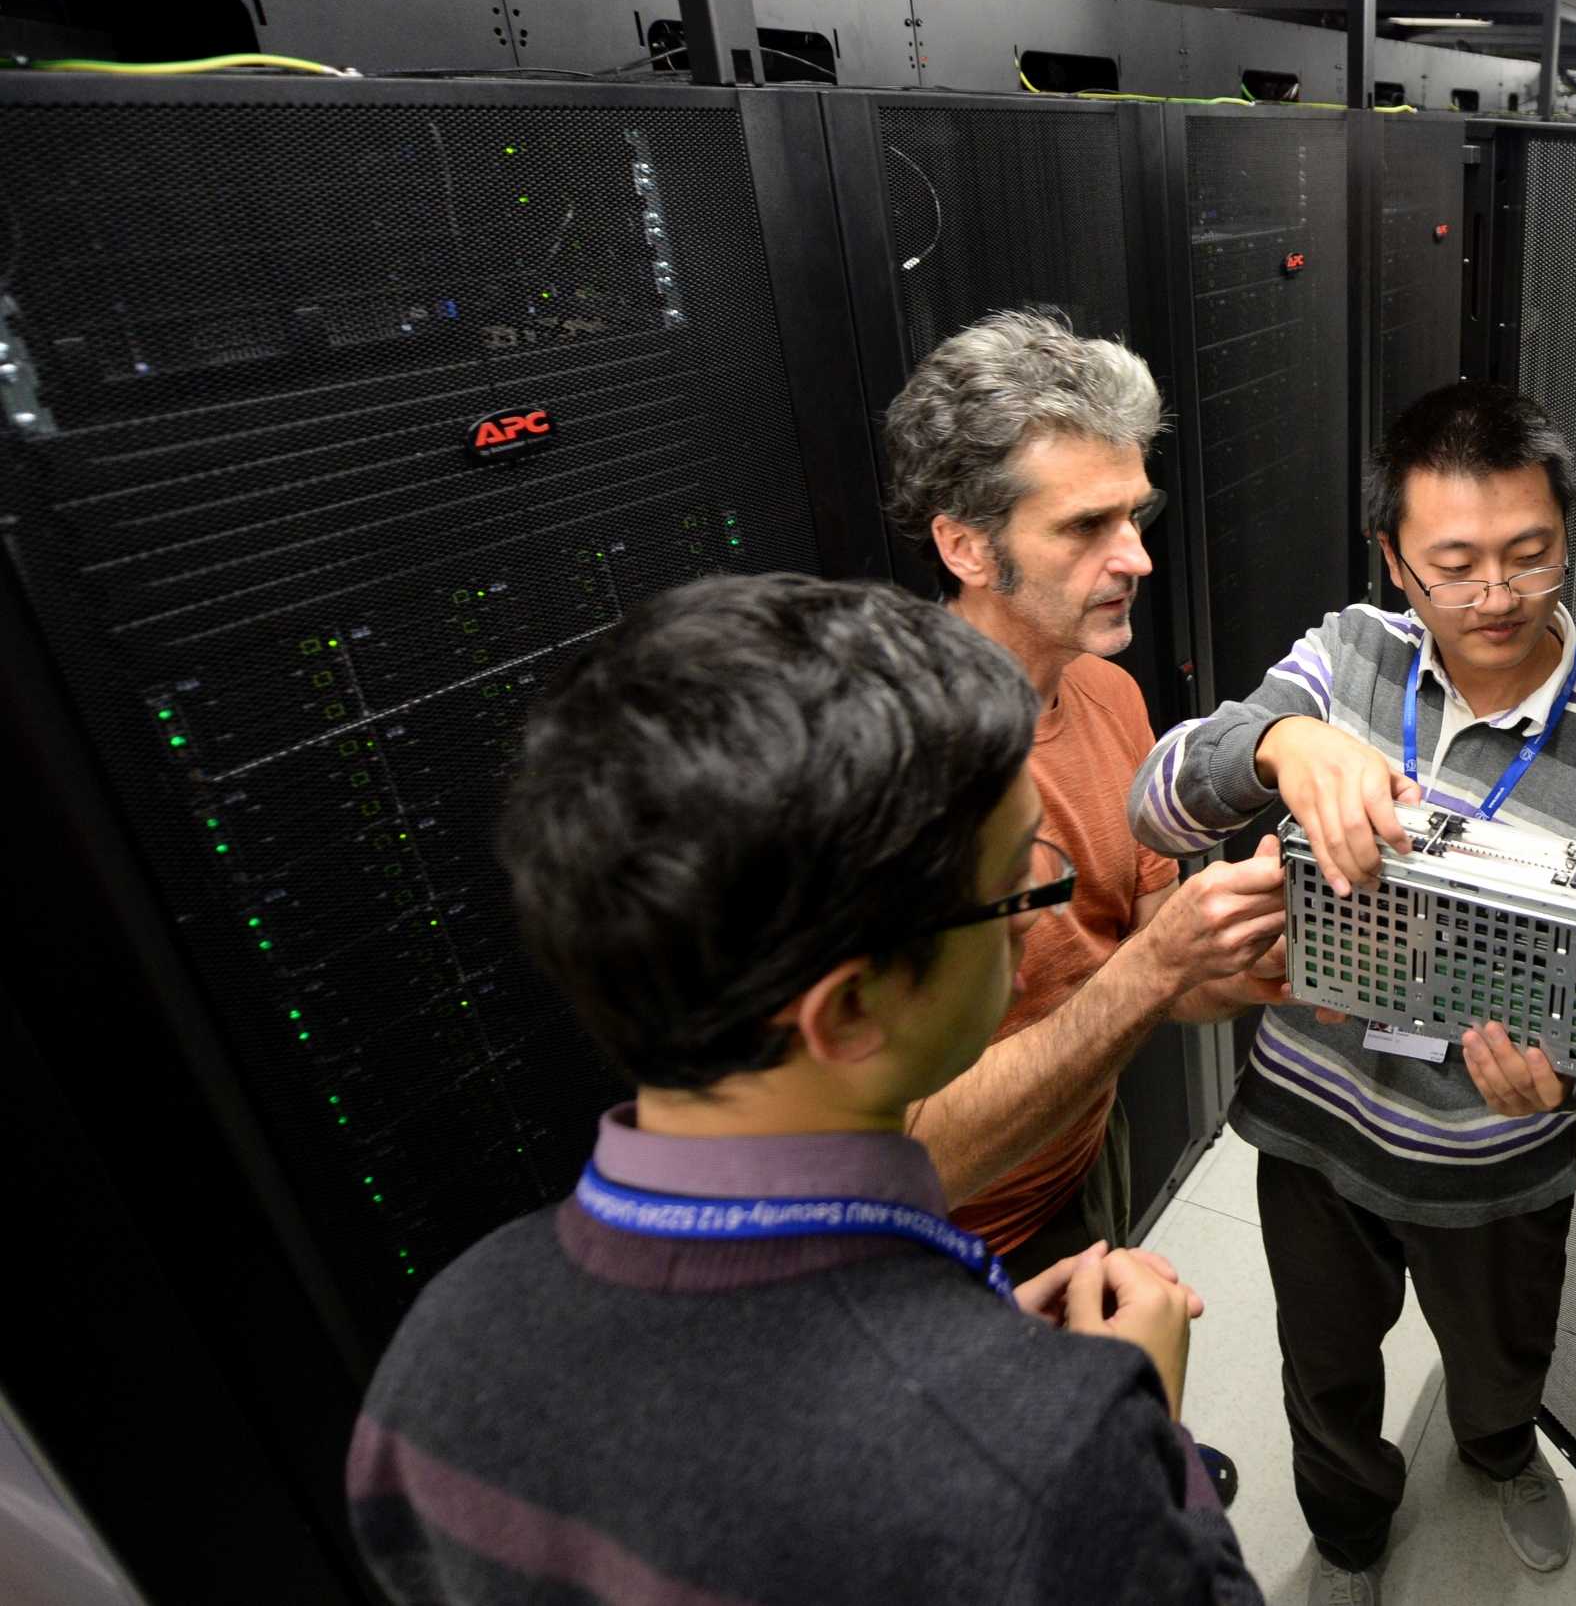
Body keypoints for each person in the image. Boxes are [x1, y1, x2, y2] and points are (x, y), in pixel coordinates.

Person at [348, 574, 1258, 1604]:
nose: (1029, 919)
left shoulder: (441, 1344)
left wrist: (991, 1354)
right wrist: (1143, 1437)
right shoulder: (1056, 1457)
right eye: (1018, 883)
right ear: (849, 1009)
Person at [1131, 382, 1576, 1606]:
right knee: (1323, 1370)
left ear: (1565, 537)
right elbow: (1157, 797)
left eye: (1529, 557)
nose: (1494, 597)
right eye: (1454, 564)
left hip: (1493, 1144)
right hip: (1316, 1126)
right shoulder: (1343, 662)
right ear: (1393, 557)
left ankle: (1498, 1451)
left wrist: (1571, 1072)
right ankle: (1345, 1536)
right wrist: (1280, 744)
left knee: (1500, 1360)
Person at [883, 308, 1290, 1286]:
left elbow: (1161, 966)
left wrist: (1277, 955)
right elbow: (907, 1160)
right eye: (1084, 526)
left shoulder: (1107, 691)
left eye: (1133, 517)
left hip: (1076, 1164)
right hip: (927, 1245)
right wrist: (1153, 964)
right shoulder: (896, 772)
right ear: (966, 547)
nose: (1137, 558)